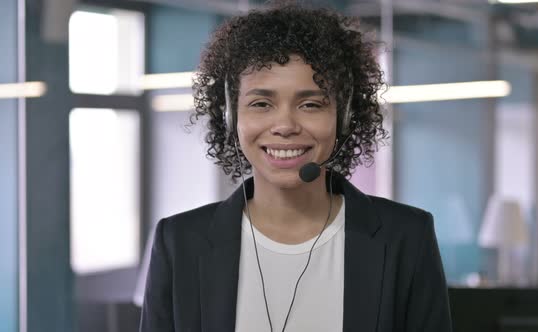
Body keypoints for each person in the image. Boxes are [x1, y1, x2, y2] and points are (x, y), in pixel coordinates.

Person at [140, 2, 452, 331]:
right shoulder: (179, 243)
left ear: (343, 117)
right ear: (232, 116)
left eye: (310, 104)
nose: (285, 125)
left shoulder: (407, 237)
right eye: (261, 103)